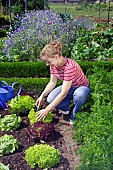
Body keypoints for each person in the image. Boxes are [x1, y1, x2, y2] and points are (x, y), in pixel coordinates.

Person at [36, 40, 90, 126]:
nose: (47, 64)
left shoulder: (69, 67)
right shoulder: (54, 65)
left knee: (79, 95)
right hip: (70, 86)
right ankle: (66, 109)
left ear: (56, 57)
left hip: (81, 87)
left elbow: (63, 93)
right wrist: (42, 96)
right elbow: (52, 82)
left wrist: (47, 110)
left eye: (48, 61)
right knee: (50, 99)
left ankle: (74, 116)